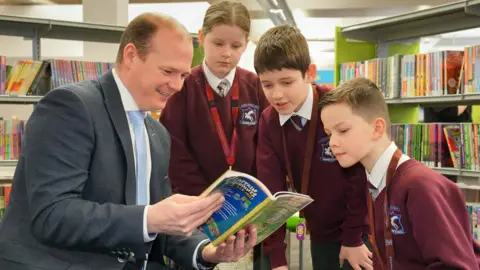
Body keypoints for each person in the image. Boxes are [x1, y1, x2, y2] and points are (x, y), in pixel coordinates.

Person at [0, 13, 257, 270]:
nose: (178, 86)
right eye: (168, 71)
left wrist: (206, 251)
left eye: (182, 75)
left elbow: (162, 222)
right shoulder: (71, 107)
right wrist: (149, 219)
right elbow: (52, 215)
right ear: (132, 56)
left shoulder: (157, 134)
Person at [319, 77, 480, 269]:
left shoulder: (420, 185)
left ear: (377, 129)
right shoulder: (375, 182)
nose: (332, 143)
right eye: (329, 134)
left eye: (343, 130)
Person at [254, 25, 371, 270]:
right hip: (319, 233)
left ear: (310, 73)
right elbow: (271, 191)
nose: (277, 95)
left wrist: (353, 237)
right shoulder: (269, 121)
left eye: (286, 82)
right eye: (267, 85)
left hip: (358, 231)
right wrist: (277, 259)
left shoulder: (336, 108)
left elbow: (359, 178)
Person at [160, 0, 269, 196]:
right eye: (218, 43)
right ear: (201, 37)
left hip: (246, 202)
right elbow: (174, 153)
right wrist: (205, 200)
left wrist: (253, 197)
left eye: (236, 46)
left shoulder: (256, 87)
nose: (226, 53)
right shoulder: (181, 88)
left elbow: (265, 149)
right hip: (194, 202)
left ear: (246, 44)